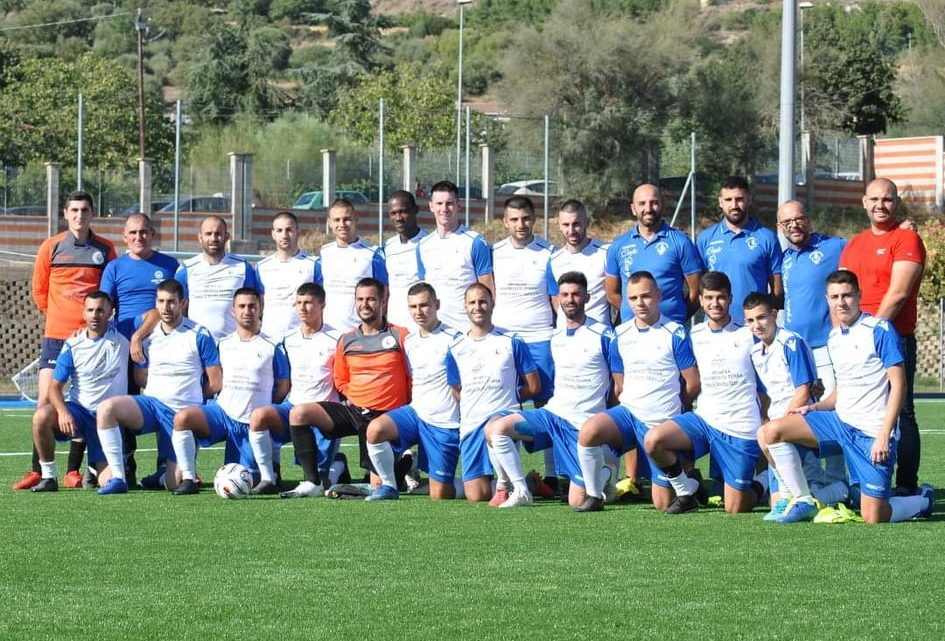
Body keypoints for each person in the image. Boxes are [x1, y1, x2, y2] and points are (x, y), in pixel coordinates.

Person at [757, 270, 934, 524]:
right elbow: (842, 390)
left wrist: (884, 434)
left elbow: (899, 385)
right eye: (835, 296)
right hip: (839, 424)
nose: (841, 302)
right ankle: (802, 499)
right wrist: (816, 407)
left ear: (859, 296)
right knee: (770, 432)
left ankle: (922, 501)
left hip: (871, 433)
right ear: (827, 300)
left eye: (847, 295)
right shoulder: (834, 337)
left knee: (874, 516)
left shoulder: (879, 329)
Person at [484, 271, 614, 508]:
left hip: (580, 427)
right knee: (496, 428)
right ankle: (521, 490)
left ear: (587, 297)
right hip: (551, 418)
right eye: (564, 294)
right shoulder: (556, 337)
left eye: (576, 294)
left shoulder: (605, 335)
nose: (569, 299)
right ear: (557, 298)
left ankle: (605, 471)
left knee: (577, 501)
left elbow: (618, 385)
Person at [17, 191, 117, 491]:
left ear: (92, 214)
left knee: (87, 402)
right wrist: (60, 319)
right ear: (65, 213)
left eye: (84, 210)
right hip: (57, 338)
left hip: (93, 339)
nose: (79, 215)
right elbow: (39, 290)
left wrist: (87, 326)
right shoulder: (51, 246)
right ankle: (39, 470)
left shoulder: (105, 249)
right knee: (46, 401)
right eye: (74, 210)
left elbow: (108, 291)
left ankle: (73, 471)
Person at [576, 271, 700, 512]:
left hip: (659, 420)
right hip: (628, 414)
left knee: (662, 503)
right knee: (589, 431)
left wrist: (674, 412)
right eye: (633, 298)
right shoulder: (619, 334)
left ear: (658, 295)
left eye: (646, 296)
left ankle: (692, 482)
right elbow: (620, 384)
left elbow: (693, 383)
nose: (640, 303)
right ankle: (595, 495)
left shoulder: (675, 332)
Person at [644, 271, 766, 514]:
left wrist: (765, 419)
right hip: (703, 420)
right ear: (700, 300)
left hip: (738, 426)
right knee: (654, 440)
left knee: (735, 507)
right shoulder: (694, 335)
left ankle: (766, 479)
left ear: (730, 299)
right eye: (709, 298)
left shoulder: (748, 335)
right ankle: (687, 489)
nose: (715, 303)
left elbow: (767, 380)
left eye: (720, 297)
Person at [839, 178, 926, 497]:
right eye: (874, 199)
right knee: (856, 408)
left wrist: (868, 333)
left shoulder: (906, 239)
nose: (880, 205)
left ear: (896, 202)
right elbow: (842, 294)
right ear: (863, 202)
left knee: (902, 410)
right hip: (857, 341)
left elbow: (899, 293)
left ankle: (906, 485)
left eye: (887, 199)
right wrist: (845, 334)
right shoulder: (854, 244)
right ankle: (864, 481)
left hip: (893, 337)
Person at [95, 279, 222, 494]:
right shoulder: (148, 336)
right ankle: (119, 478)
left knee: (176, 482)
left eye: (171, 302)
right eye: (161, 301)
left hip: (183, 413)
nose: (166, 307)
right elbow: (140, 376)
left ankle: (162, 477)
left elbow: (216, 382)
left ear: (183, 303)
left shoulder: (199, 334)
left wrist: (190, 400)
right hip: (152, 406)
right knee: (106, 409)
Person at [287, 278, 410, 490]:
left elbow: (411, 376)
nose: (365, 304)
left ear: (383, 302)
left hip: (384, 417)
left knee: (378, 486)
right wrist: (356, 401)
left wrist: (396, 406)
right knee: (299, 413)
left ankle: (403, 466)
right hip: (354, 411)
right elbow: (341, 380)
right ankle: (312, 482)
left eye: (371, 299)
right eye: (360, 299)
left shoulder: (400, 335)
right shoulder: (346, 340)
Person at [169, 288, 290, 495]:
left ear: (260, 309)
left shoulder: (273, 345)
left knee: (250, 479)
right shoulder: (223, 344)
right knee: (183, 418)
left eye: (252, 306)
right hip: (222, 414)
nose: (247, 311)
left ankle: (272, 463)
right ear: (233, 310)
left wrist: (263, 412)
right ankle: (189, 479)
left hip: (251, 423)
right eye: (242, 306)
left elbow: (284, 385)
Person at [742, 292, 846, 519]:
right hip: (778, 425)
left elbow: (804, 391)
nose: (756, 325)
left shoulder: (791, 342)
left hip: (799, 420)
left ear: (774, 314)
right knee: (764, 436)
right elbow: (766, 394)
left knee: (812, 487)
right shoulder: (755, 351)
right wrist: (768, 420)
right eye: (750, 320)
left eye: (761, 318)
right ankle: (791, 495)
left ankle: (838, 491)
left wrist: (782, 423)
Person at [363, 282, 463, 501]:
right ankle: (389, 487)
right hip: (416, 414)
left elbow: (462, 386)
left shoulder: (456, 340)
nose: (419, 312)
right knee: (375, 430)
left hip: (444, 422)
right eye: (413, 307)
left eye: (424, 305)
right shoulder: (409, 341)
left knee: (440, 495)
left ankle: (487, 485)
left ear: (437, 304)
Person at [247, 282, 346, 498]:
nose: (302, 308)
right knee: (259, 416)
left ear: (322, 305)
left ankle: (338, 465)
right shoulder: (288, 340)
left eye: (309, 302)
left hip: (324, 411)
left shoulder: (337, 339)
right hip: (293, 408)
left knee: (322, 483)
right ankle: (269, 479)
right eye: (299, 303)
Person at [446, 283, 541, 503]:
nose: (478, 306)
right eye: (472, 302)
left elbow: (534, 386)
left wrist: (509, 403)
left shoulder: (512, 340)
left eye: (482, 301)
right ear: (464, 306)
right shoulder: (455, 346)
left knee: (495, 430)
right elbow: (456, 389)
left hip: (503, 421)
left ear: (492, 303)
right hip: (471, 424)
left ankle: (510, 486)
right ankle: (531, 482)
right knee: (476, 495)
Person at [28, 291, 128, 492]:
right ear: (83, 313)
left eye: (100, 310)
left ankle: (94, 468)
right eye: (90, 310)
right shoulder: (73, 344)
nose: (95, 315)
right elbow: (54, 387)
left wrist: (139, 336)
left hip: (107, 419)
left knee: (110, 482)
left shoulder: (124, 335)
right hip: (79, 413)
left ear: (110, 312)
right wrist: (63, 411)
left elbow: (152, 314)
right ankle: (49, 476)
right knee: (41, 416)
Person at [605, 183, 702, 325]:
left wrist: (676, 318)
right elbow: (612, 294)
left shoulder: (681, 242)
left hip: (670, 331)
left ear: (663, 205)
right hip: (632, 334)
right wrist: (638, 315)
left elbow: (696, 292)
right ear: (633, 209)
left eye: (654, 203)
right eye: (642, 203)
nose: (648, 209)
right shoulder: (618, 246)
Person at [778, 200, 846, 397]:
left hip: (826, 347)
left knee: (830, 407)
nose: (794, 225)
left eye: (799, 219)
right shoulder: (785, 258)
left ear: (808, 220)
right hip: (795, 349)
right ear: (780, 227)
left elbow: (863, 248)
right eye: (787, 222)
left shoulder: (834, 246)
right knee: (801, 412)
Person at [492, 196, 556, 404]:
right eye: (515, 219)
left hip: (540, 336)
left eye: (526, 218)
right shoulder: (494, 252)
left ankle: (544, 438)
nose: (521, 225)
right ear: (505, 221)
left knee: (544, 399)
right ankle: (507, 437)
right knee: (505, 398)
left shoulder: (549, 252)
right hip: (504, 337)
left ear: (534, 219)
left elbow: (555, 297)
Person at [696, 176, 783, 324]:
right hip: (716, 327)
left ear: (749, 199)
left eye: (739, 199)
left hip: (752, 328)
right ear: (720, 202)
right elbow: (699, 285)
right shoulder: (705, 238)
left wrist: (760, 318)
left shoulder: (767, 237)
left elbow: (777, 291)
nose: (734, 205)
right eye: (729, 200)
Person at [416, 180, 494, 331]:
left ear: (458, 205)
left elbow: (487, 289)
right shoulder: (423, 245)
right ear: (431, 206)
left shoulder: (475, 241)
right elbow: (423, 290)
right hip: (435, 330)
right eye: (439, 204)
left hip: (466, 330)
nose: (444, 209)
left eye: (449, 203)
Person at [174, 216, 260, 341]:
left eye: (218, 234)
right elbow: (180, 310)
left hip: (232, 345)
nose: (213, 238)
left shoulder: (243, 267)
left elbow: (253, 307)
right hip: (196, 345)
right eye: (208, 234)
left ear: (226, 237)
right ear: (200, 237)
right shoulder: (185, 269)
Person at [320, 198, 388, 333]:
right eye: (337, 220)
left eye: (347, 219)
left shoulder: (373, 253)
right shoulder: (325, 252)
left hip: (361, 331)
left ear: (356, 219)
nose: (342, 224)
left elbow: (384, 293)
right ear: (329, 223)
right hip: (328, 332)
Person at [256, 211, 321, 340]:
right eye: (279, 230)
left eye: (289, 230)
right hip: (270, 339)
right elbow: (259, 304)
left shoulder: (313, 264)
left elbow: (322, 302)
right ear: (273, 234)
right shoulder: (262, 267)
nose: (284, 235)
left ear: (297, 232)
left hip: (303, 339)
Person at [547, 199, 611, 327]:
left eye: (576, 224)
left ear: (586, 223)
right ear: (559, 225)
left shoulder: (606, 252)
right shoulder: (553, 260)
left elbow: (615, 294)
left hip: (599, 334)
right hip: (565, 336)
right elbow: (556, 298)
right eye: (566, 225)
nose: (571, 230)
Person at [383, 191, 427, 332]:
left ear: (415, 210)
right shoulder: (388, 247)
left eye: (403, 212)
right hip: (394, 326)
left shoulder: (429, 243)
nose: (398, 218)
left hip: (421, 326)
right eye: (393, 213)